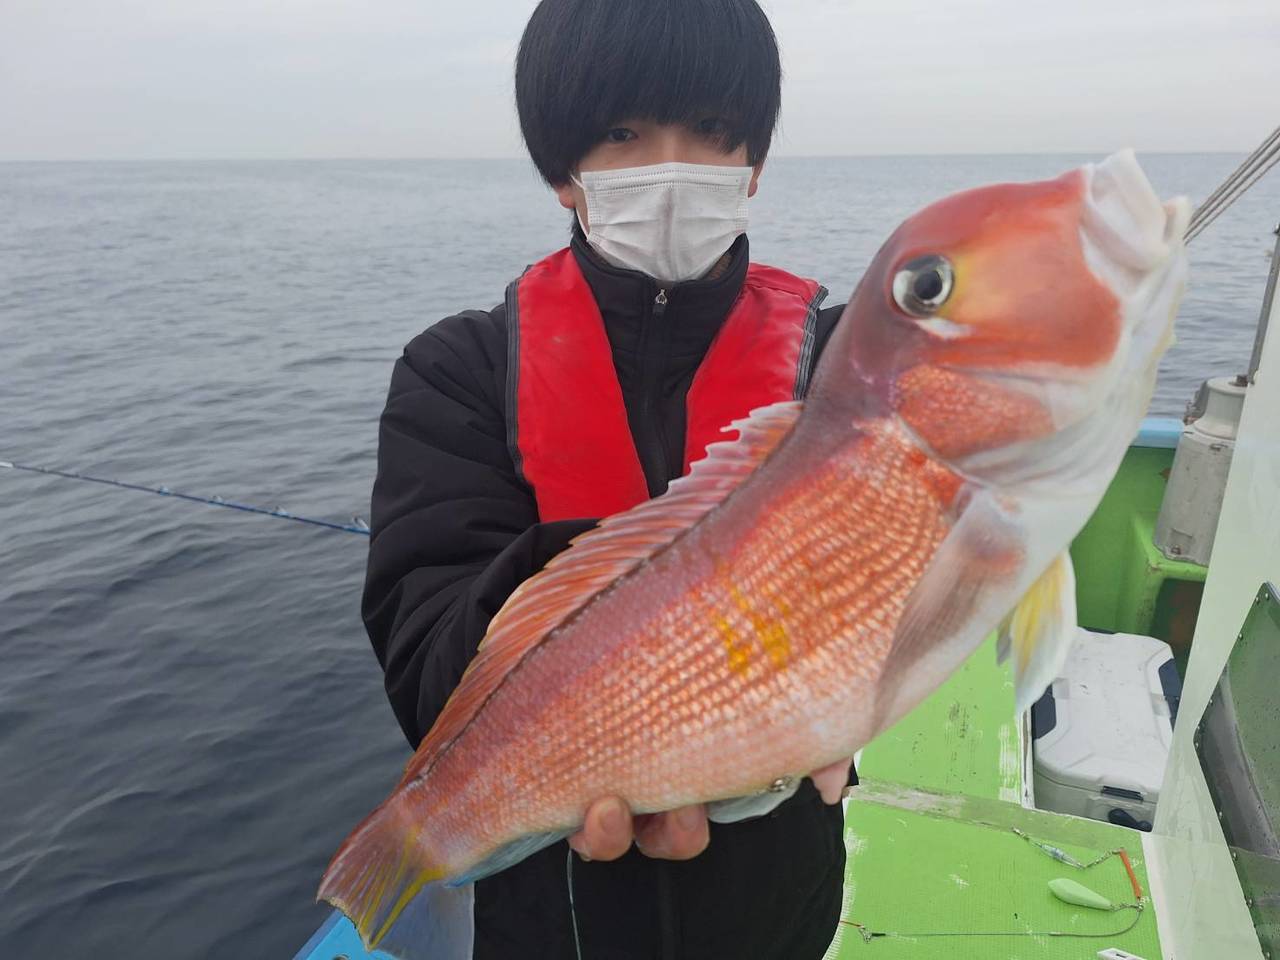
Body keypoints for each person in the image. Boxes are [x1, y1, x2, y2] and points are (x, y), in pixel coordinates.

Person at [362, 1, 855, 956]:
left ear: (753, 163)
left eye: (711, 130)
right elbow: (427, 677)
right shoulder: (457, 372)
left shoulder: (838, 370)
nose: (672, 167)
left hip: (781, 889)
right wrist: (629, 622)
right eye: (623, 133)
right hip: (553, 911)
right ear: (563, 170)